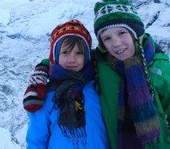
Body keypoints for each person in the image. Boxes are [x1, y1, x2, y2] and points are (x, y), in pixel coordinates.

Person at [23, 0, 170, 148]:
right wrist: (41, 71)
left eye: (122, 33)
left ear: (136, 33)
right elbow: (65, 60)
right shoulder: (102, 62)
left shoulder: (161, 71)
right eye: (107, 38)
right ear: (101, 43)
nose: (116, 43)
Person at [25, 19, 109, 148]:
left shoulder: (97, 86)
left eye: (78, 53)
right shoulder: (47, 94)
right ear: (55, 56)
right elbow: (36, 139)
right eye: (65, 52)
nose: (72, 59)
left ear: (87, 56)